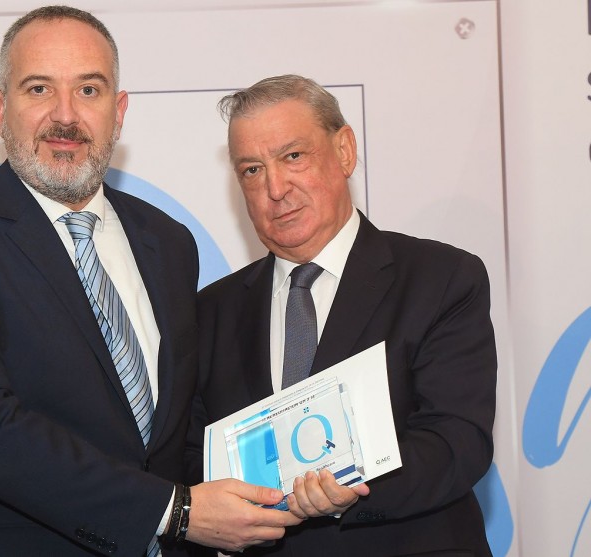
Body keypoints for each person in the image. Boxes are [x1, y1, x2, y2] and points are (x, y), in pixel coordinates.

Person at [0, 7, 300, 557]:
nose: (65, 116)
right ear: (1, 108)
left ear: (119, 111)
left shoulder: (168, 242)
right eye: (39, 88)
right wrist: (176, 512)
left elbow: (175, 432)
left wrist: (284, 486)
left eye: (89, 90)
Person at [186, 75, 497, 556]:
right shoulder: (211, 311)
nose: (275, 188)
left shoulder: (441, 278)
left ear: (345, 151)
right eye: (252, 169)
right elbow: (191, 457)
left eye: (293, 156)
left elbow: (457, 441)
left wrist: (348, 488)